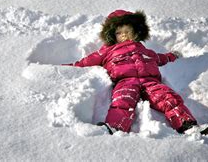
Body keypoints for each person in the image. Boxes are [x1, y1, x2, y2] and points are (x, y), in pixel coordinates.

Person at [65, 9, 197, 134]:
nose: (124, 34)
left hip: (150, 81)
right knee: (122, 101)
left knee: (168, 98)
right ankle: (115, 127)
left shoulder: (145, 50)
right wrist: (64, 67)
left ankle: (187, 124)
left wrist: (172, 56)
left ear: (135, 32)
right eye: (119, 32)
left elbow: (160, 58)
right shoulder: (107, 51)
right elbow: (85, 62)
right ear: (112, 35)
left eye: (128, 31)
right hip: (125, 82)